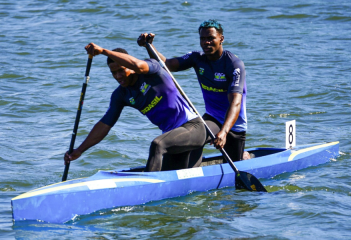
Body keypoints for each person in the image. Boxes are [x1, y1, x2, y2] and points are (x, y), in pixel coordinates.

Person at [64, 43, 206, 172]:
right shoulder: (121, 95)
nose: (118, 76)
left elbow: (138, 65)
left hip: (193, 127)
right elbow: (104, 125)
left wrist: (104, 51)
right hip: (173, 138)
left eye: (121, 70)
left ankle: (149, 190)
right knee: (170, 178)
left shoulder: (152, 69)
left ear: (129, 66)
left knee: (157, 145)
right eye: (113, 73)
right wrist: (80, 150)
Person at [137, 19, 248, 166]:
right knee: (195, 137)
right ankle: (191, 173)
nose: (206, 42)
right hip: (212, 118)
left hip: (233, 125)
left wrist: (224, 132)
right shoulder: (197, 58)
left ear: (221, 39)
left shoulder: (233, 64)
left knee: (236, 163)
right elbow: (167, 65)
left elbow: (235, 102)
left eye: (211, 38)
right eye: (203, 39)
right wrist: (148, 45)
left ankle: (247, 157)